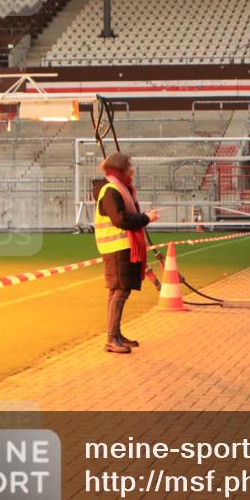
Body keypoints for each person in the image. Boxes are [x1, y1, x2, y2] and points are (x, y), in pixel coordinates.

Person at [93, 152, 160, 354]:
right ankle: (112, 339)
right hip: (117, 248)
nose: (132, 169)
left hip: (120, 247)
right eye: (129, 165)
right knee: (120, 291)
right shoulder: (112, 191)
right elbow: (120, 220)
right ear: (121, 168)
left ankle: (116, 335)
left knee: (118, 291)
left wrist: (143, 217)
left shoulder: (116, 189)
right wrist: (146, 218)